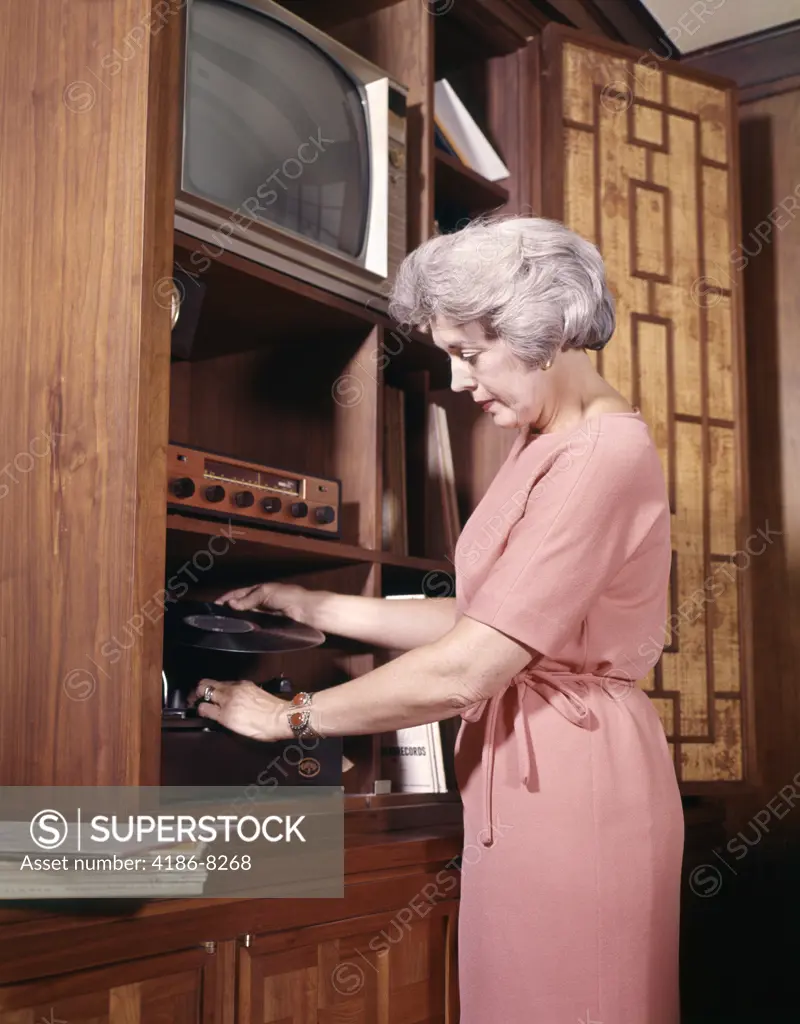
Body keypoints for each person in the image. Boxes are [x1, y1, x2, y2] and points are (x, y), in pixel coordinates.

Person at [192, 215, 684, 1023]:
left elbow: (474, 663)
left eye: (467, 353)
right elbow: (496, 618)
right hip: (524, 782)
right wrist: (316, 603)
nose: (458, 381)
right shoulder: (547, 439)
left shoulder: (601, 455)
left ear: (543, 331)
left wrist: (290, 718)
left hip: (577, 787)